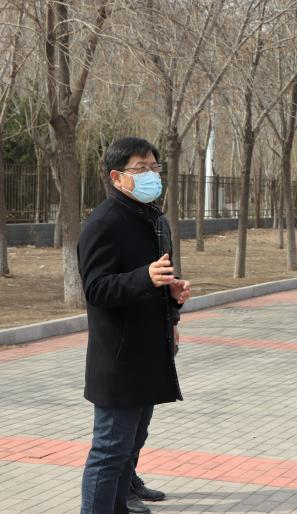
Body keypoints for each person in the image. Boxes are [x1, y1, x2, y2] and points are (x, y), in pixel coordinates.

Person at [78, 137, 191, 514]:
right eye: (140, 169)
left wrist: (173, 298)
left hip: (149, 351)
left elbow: (159, 277)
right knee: (109, 450)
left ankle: (120, 506)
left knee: (129, 445)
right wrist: (145, 277)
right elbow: (95, 289)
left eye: (155, 167)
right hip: (119, 357)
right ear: (117, 177)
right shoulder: (104, 222)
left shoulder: (153, 219)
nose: (151, 175)